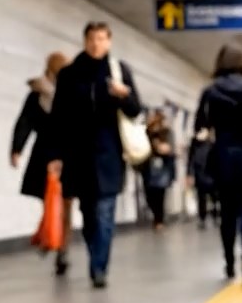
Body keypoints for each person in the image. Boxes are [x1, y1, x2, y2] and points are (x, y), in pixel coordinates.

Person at [48, 21, 142, 288]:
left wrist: (124, 95)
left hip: (109, 153)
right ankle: (95, 254)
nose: (96, 43)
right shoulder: (69, 75)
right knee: (89, 213)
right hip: (78, 155)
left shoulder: (119, 71)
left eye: (101, 39)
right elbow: (58, 118)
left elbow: (136, 110)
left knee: (105, 211)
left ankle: (99, 267)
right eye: (92, 38)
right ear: (85, 41)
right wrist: (55, 155)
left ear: (109, 42)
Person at [194, 44, 242, 283]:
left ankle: (229, 262)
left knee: (227, 213)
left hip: (223, 158)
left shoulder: (211, 91)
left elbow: (200, 127)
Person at [10, 52, 72, 274]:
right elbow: (25, 121)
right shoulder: (36, 95)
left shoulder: (72, 92)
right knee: (49, 201)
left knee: (65, 203)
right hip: (43, 153)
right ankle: (49, 237)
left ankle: (61, 250)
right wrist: (17, 148)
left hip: (67, 153)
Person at [141, 109, 176, 230]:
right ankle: (157, 216)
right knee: (149, 194)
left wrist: (161, 147)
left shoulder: (166, 132)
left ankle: (159, 219)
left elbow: (170, 149)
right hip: (148, 167)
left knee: (160, 194)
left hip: (162, 167)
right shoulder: (147, 132)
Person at [187, 125, 219, 229]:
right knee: (201, 197)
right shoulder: (195, 144)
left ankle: (215, 216)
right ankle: (203, 218)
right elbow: (190, 160)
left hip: (211, 172)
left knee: (214, 197)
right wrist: (190, 174)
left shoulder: (212, 142)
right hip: (200, 172)